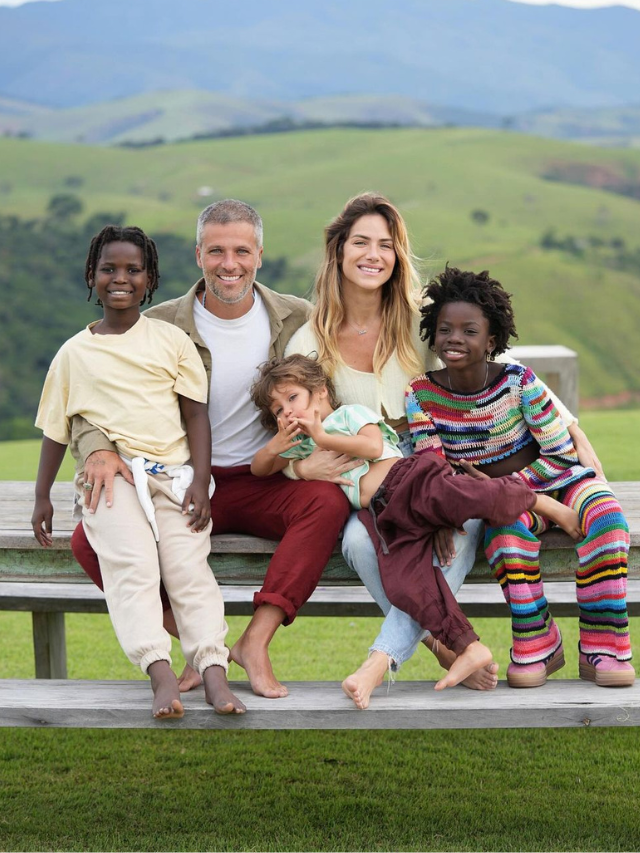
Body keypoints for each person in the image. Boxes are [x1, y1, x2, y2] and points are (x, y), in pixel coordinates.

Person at [284, 192, 601, 708]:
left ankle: (400, 656)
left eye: (386, 245)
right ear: (338, 250)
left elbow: (492, 354)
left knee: (455, 530)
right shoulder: (308, 339)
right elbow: (291, 420)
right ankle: (446, 639)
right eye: (361, 242)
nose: (374, 254)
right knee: (361, 546)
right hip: (366, 477)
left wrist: (569, 422)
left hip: (440, 460)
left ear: (397, 255)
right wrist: (301, 468)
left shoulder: (417, 318)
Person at [67, 201, 351, 699]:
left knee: (326, 504)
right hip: (179, 482)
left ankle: (255, 641)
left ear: (259, 255)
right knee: (87, 541)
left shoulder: (297, 319)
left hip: (267, 478)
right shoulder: (155, 323)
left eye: (242, 250)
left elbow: (331, 387)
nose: (229, 263)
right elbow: (92, 401)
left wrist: (328, 448)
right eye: (216, 250)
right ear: (198, 254)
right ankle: (195, 642)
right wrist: (97, 449)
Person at [250, 354, 582, 692]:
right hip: (384, 516)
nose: (287, 411)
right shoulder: (300, 446)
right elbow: (259, 468)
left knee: (472, 496)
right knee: (407, 583)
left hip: (408, 480)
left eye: (292, 398)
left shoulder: (347, 415)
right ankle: (466, 645)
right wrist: (280, 447)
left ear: (320, 391)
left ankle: (538, 502)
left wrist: (322, 436)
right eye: (278, 410)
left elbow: (372, 445)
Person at [31, 225, 246, 718]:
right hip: (110, 481)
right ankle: (161, 674)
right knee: (133, 565)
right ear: (92, 275)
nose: (120, 278)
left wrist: (200, 481)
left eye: (133, 269)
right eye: (109, 269)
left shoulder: (171, 341)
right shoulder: (73, 354)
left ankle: (214, 673)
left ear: (150, 279)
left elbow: (196, 416)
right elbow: (55, 431)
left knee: (188, 568)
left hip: (172, 477)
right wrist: (42, 496)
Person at [406, 266, 634, 688]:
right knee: (505, 536)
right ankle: (538, 643)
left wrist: (503, 489)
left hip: (564, 483)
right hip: (502, 506)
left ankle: (603, 646)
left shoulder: (518, 381)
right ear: (432, 336)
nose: (455, 338)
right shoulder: (420, 394)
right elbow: (433, 467)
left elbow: (561, 454)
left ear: (491, 341)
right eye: (444, 329)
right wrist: (453, 510)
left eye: (469, 330)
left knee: (608, 520)